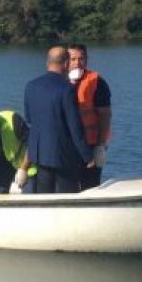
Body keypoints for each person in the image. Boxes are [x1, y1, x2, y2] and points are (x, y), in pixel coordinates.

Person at [23, 46, 94, 193]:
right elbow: (75, 126)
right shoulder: (67, 89)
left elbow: (29, 118)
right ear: (66, 64)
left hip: (40, 154)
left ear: (47, 62)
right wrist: (87, 155)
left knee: (44, 197)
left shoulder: (31, 86)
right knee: (67, 197)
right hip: (64, 157)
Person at [67, 43, 112, 190]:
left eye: (81, 59)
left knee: (91, 186)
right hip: (66, 145)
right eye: (73, 59)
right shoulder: (58, 81)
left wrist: (100, 145)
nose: (77, 63)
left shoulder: (96, 82)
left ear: (87, 59)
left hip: (91, 144)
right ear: (66, 60)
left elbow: (105, 116)